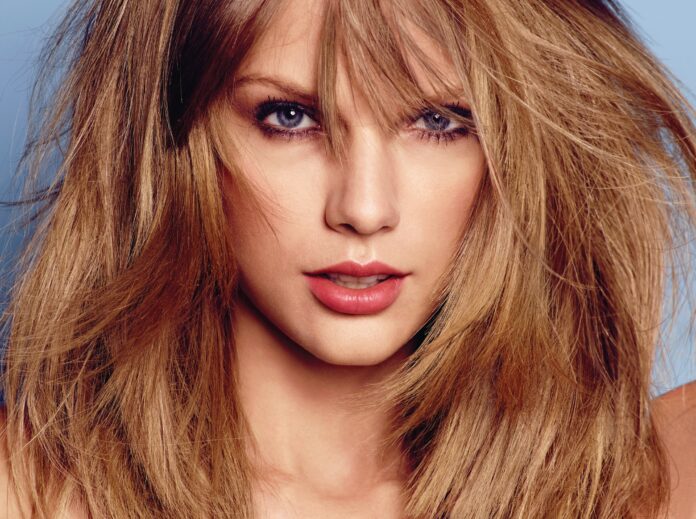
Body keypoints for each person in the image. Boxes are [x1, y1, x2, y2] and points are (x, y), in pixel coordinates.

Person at [0, 0, 695, 517]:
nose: (364, 208)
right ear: (173, 134)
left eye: (438, 121)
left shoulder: (656, 479)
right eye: (290, 117)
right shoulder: (26, 491)